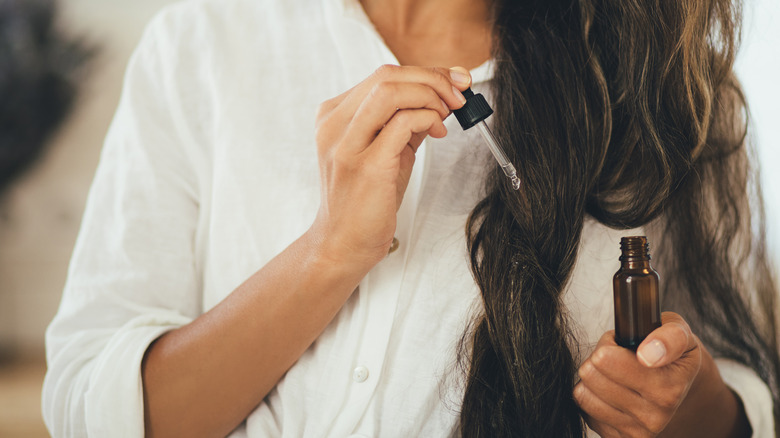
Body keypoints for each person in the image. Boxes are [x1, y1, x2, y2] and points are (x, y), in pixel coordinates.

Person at [42, 0, 780, 436]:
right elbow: (90, 410)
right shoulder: (204, 44)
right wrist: (328, 254)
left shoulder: (670, 94)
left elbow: (740, 397)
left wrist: (690, 408)